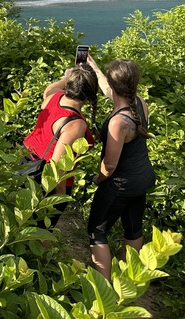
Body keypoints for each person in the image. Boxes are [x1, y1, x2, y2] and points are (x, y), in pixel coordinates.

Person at [86, 56, 155, 281]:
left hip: (120, 184)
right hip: (142, 178)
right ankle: (127, 279)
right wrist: (93, 67)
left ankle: (104, 288)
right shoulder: (140, 103)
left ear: (116, 86)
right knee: (133, 229)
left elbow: (110, 164)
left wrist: (98, 178)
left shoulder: (118, 122)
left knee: (97, 231)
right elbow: (110, 89)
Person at [23, 65, 98, 229]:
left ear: (69, 86)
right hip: (45, 180)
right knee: (42, 231)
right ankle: (41, 255)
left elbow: (50, 88)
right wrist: (61, 197)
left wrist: (67, 77)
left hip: (27, 165)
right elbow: (57, 168)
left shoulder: (53, 98)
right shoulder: (75, 123)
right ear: (90, 94)